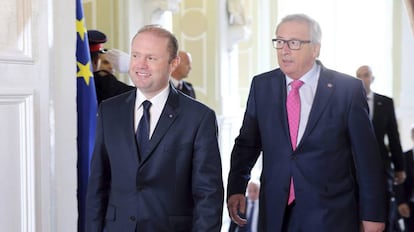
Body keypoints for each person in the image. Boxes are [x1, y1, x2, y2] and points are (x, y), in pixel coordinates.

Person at [226, 14, 387, 232]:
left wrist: (373, 215)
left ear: (315, 49)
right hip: (276, 212)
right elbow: (247, 143)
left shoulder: (347, 90)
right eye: (279, 42)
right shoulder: (262, 86)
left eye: (294, 43)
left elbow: (367, 159)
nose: (284, 50)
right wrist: (236, 186)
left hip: (330, 214)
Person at [85, 25, 224, 231]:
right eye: (135, 55)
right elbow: (98, 185)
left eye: (151, 58)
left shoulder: (199, 118)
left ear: (173, 63)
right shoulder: (109, 111)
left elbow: (208, 195)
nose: (140, 65)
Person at [356, 65, 406, 232]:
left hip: (381, 166)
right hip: (355, 165)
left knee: (383, 208)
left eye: (366, 75)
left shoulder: (385, 103)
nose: (362, 79)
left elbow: (393, 137)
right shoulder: (349, 101)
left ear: (372, 78)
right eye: (359, 76)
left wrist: (400, 167)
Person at [87, 29, 135, 104]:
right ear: (97, 62)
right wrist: (134, 67)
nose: (111, 67)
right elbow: (144, 96)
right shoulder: (103, 82)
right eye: (105, 62)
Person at [396, 125, 414, 231]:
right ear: (412, 136)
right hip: (410, 205)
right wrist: (401, 202)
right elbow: (398, 182)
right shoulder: (404, 157)